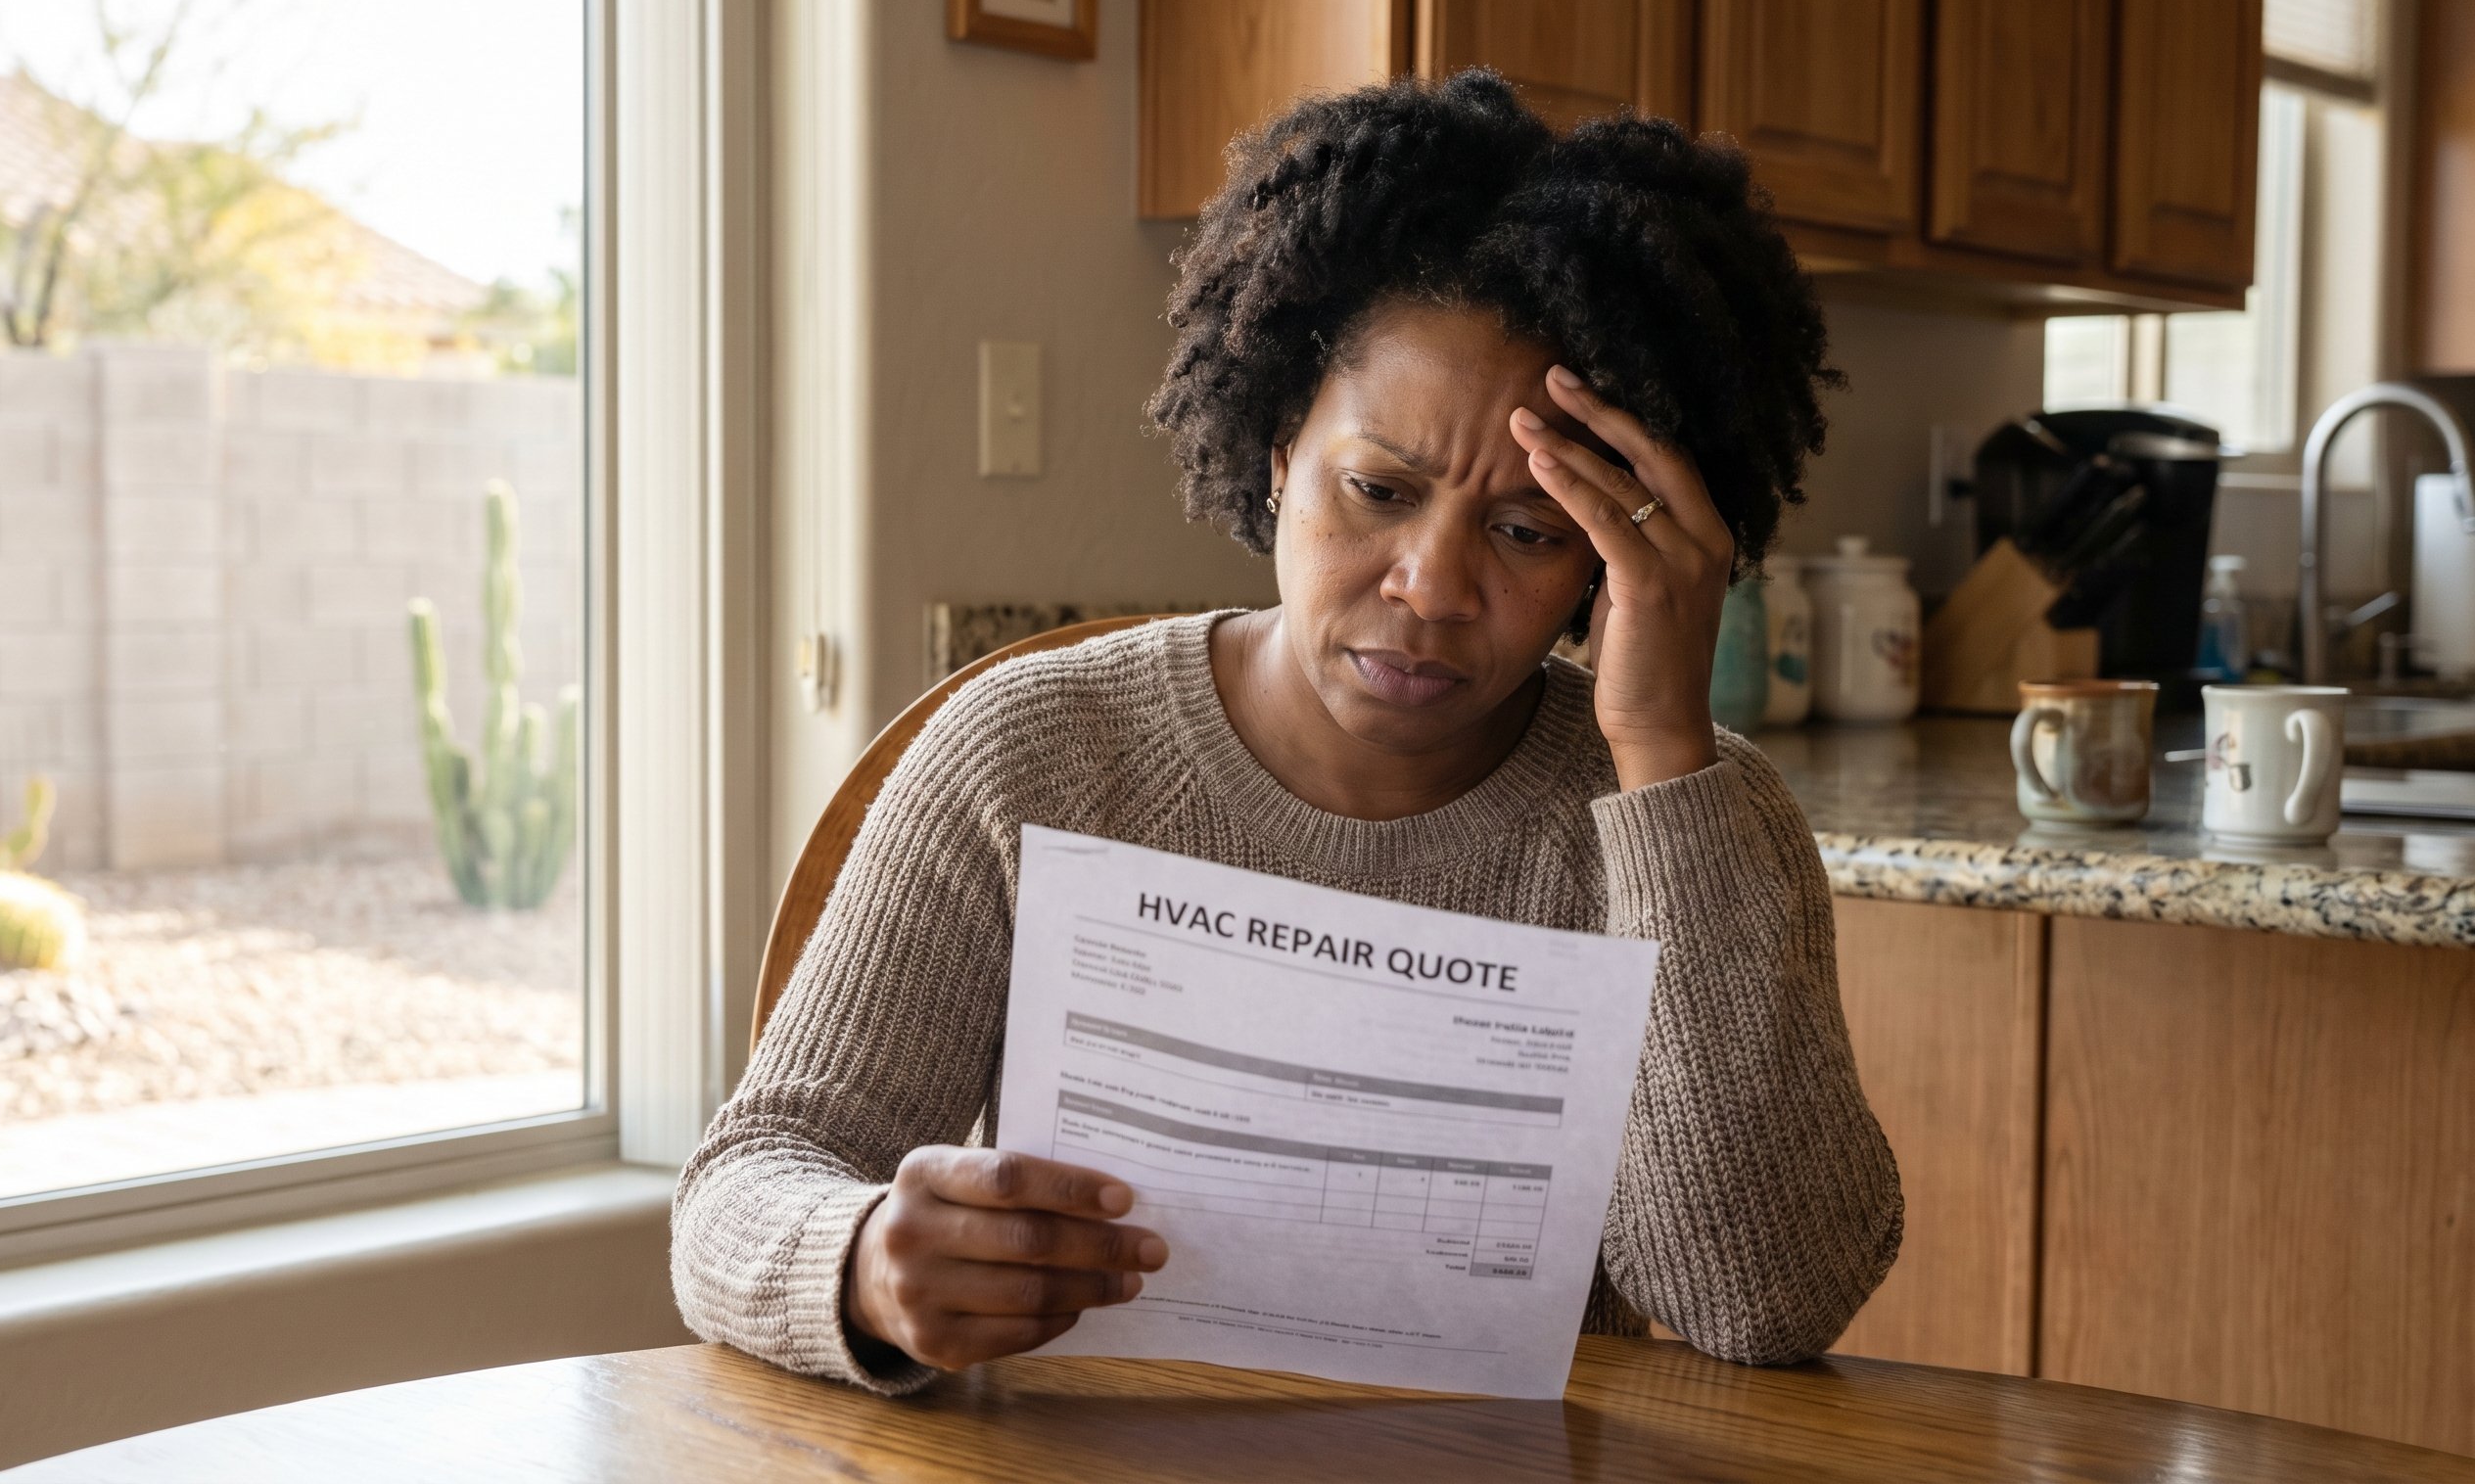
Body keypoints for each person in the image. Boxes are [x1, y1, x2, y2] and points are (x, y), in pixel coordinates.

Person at [673, 70, 1900, 1395]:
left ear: (1613, 556)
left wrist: (1662, 745)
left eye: (1530, 531)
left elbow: (1766, 1300)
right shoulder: (1028, 755)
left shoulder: (1694, 819)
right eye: (1378, 489)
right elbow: (744, 1185)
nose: (1431, 586)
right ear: (1275, 449)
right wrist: (860, 1255)